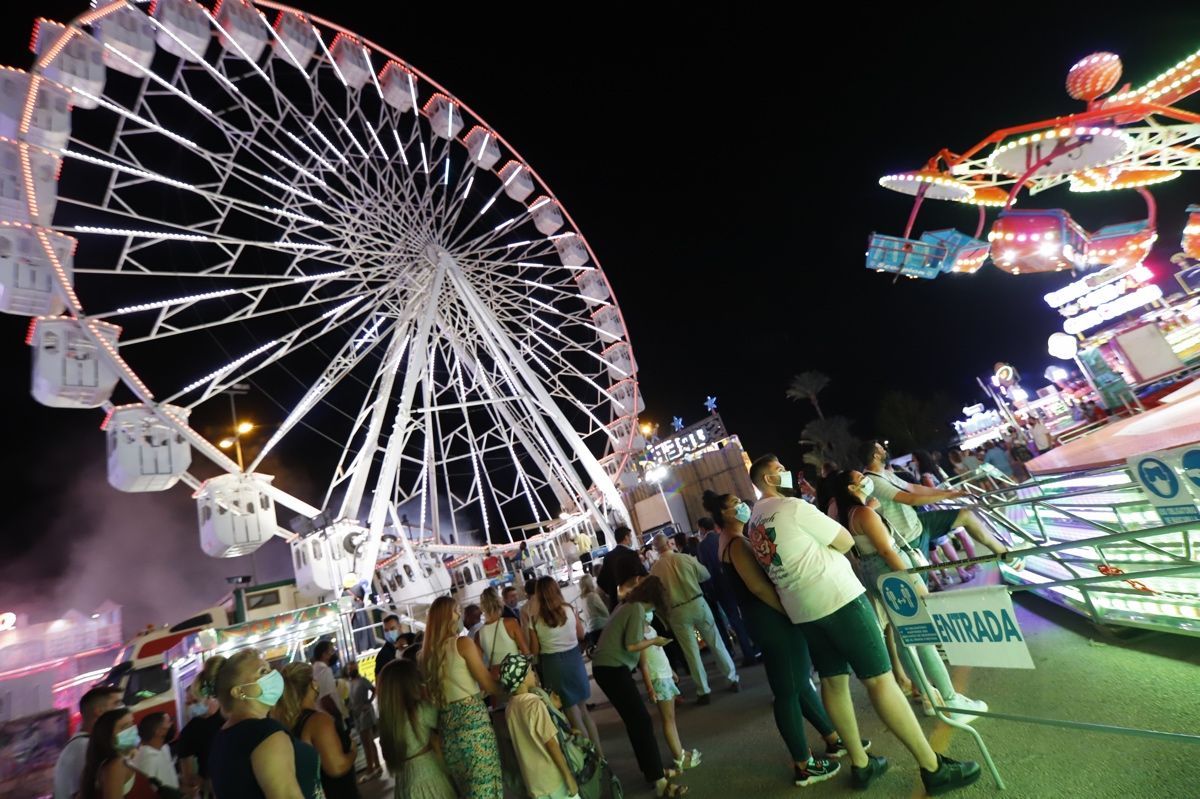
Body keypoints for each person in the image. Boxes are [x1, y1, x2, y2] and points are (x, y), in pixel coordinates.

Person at [748, 454, 982, 794]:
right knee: (879, 680)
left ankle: (861, 763)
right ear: (769, 479)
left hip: (802, 610)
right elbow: (845, 541)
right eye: (780, 471)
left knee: (833, 681)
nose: (786, 474)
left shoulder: (755, 521)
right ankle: (932, 767)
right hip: (839, 598)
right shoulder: (792, 509)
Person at [702, 490, 844, 787]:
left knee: (796, 683)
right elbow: (758, 587)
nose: (741, 507)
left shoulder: (731, 541)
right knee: (788, 692)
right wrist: (788, 611)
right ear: (723, 515)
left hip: (762, 620)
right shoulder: (737, 544)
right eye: (733, 505)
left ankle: (832, 738)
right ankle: (803, 765)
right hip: (770, 619)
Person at [830, 471, 989, 721]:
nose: (866, 479)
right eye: (861, 477)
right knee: (922, 636)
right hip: (892, 574)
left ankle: (929, 698)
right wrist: (915, 581)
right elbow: (886, 549)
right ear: (852, 487)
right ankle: (950, 700)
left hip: (875, 574)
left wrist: (871, 508)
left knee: (906, 638)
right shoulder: (863, 514)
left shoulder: (847, 514)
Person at [590, 576, 688, 797]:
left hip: (607, 668)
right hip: (612, 669)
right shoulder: (635, 609)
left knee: (637, 723)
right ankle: (659, 781)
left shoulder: (626, 605)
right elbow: (632, 644)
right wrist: (655, 641)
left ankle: (652, 772)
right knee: (641, 722)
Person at [861, 440, 1021, 572]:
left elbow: (914, 488)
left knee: (966, 515)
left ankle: (1007, 556)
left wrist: (943, 491)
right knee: (922, 574)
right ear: (876, 455)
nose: (884, 450)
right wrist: (948, 495)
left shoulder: (885, 474)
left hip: (917, 522)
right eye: (881, 448)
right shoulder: (873, 481)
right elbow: (910, 499)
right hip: (908, 536)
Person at [208, 649, 322, 799]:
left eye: (269, 670)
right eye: (262, 672)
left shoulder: (222, 737)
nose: (273, 676)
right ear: (239, 692)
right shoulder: (265, 733)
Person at [420, 595, 504, 798]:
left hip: (448, 730)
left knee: (468, 790)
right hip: (473, 725)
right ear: (448, 616)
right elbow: (488, 685)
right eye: (456, 610)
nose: (459, 614)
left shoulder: (426, 656)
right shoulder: (462, 643)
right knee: (486, 786)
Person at [649, 533, 740, 704]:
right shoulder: (685, 558)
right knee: (716, 643)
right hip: (698, 602)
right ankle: (732, 679)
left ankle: (703, 690)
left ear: (655, 549)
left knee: (691, 652)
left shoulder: (655, 570)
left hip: (677, 612)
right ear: (669, 544)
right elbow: (705, 574)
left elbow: (657, 596)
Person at [529, 576, 603, 757]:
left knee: (572, 713)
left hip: (553, 665)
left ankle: (591, 757)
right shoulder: (569, 610)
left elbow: (535, 650)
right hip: (574, 661)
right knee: (584, 710)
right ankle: (600, 754)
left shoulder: (535, 620)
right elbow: (580, 634)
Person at [276, 662, 360, 799]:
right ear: (313, 684)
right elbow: (336, 768)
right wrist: (353, 751)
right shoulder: (318, 721)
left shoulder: (288, 722)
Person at [377, 659, 456, 799]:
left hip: (404, 783)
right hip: (430, 778)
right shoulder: (420, 711)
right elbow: (448, 717)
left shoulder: (388, 722)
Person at [637, 606, 702, 774]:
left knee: (671, 719)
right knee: (668, 719)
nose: (650, 612)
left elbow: (660, 653)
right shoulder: (640, 637)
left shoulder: (650, 629)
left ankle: (680, 751)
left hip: (664, 675)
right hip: (657, 679)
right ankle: (678, 757)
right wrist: (650, 689)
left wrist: (671, 671)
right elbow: (643, 665)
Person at [695, 516, 759, 667]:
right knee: (746, 614)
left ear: (703, 529)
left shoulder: (702, 546)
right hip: (734, 582)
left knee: (734, 620)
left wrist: (711, 592)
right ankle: (758, 646)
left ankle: (748, 653)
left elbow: (706, 571)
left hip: (719, 588)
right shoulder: (722, 538)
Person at [54, 685, 123, 799]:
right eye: (117, 704)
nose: (123, 710)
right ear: (99, 712)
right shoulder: (84, 748)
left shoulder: (80, 745)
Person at [178, 660, 226, 798]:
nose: (192, 706)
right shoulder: (189, 731)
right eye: (188, 703)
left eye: (195, 701)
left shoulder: (228, 718)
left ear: (209, 697)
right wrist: (204, 783)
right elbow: (188, 776)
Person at [80, 707, 143, 799]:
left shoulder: (127, 757)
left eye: (132, 723)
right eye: (124, 727)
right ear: (108, 735)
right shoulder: (116, 765)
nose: (132, 730)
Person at [476, 586, 530, 674]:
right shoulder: (511, 623)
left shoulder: (478, 635)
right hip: (518, 674)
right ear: (499, 602)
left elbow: (478, 664)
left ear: (482, 607)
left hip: (498, 679)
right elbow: (526, 652)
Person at [596, 525, 648, 610]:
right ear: (626, 537)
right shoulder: (631, 554)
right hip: (634, 600)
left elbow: (601, 581)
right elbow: (644, 576)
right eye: (630, 537)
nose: (631, 540)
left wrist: (613, 593)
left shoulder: (608, 556)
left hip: (617, 604)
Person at [347, 663, 383, 780]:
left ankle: (371, 767)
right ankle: (375, 765)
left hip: (364, 714)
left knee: (367, 740)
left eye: (353, 668)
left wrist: (368, 702)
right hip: (356, 715)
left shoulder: (362, 681)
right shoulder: (350, 683)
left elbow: (374, 690)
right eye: (349, 668)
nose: (351, 670)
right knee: (367, 741)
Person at [131, 713, 179, 793]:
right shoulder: (147, 761)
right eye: (169, 722)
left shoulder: (164, 747)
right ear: (159, 731)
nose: (172, 724)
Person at [312, 640, 348, 722]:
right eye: (331, 651)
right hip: (331, 718)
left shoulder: (314, 669)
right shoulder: (324, 670)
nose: (334, 654)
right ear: (324, 654)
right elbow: (326, 698)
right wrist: (338, 716)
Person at [578, 574, 610, 651]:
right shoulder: (593, 596)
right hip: (601, 627)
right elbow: (605, 611)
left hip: (591, 628)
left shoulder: (583, 598)